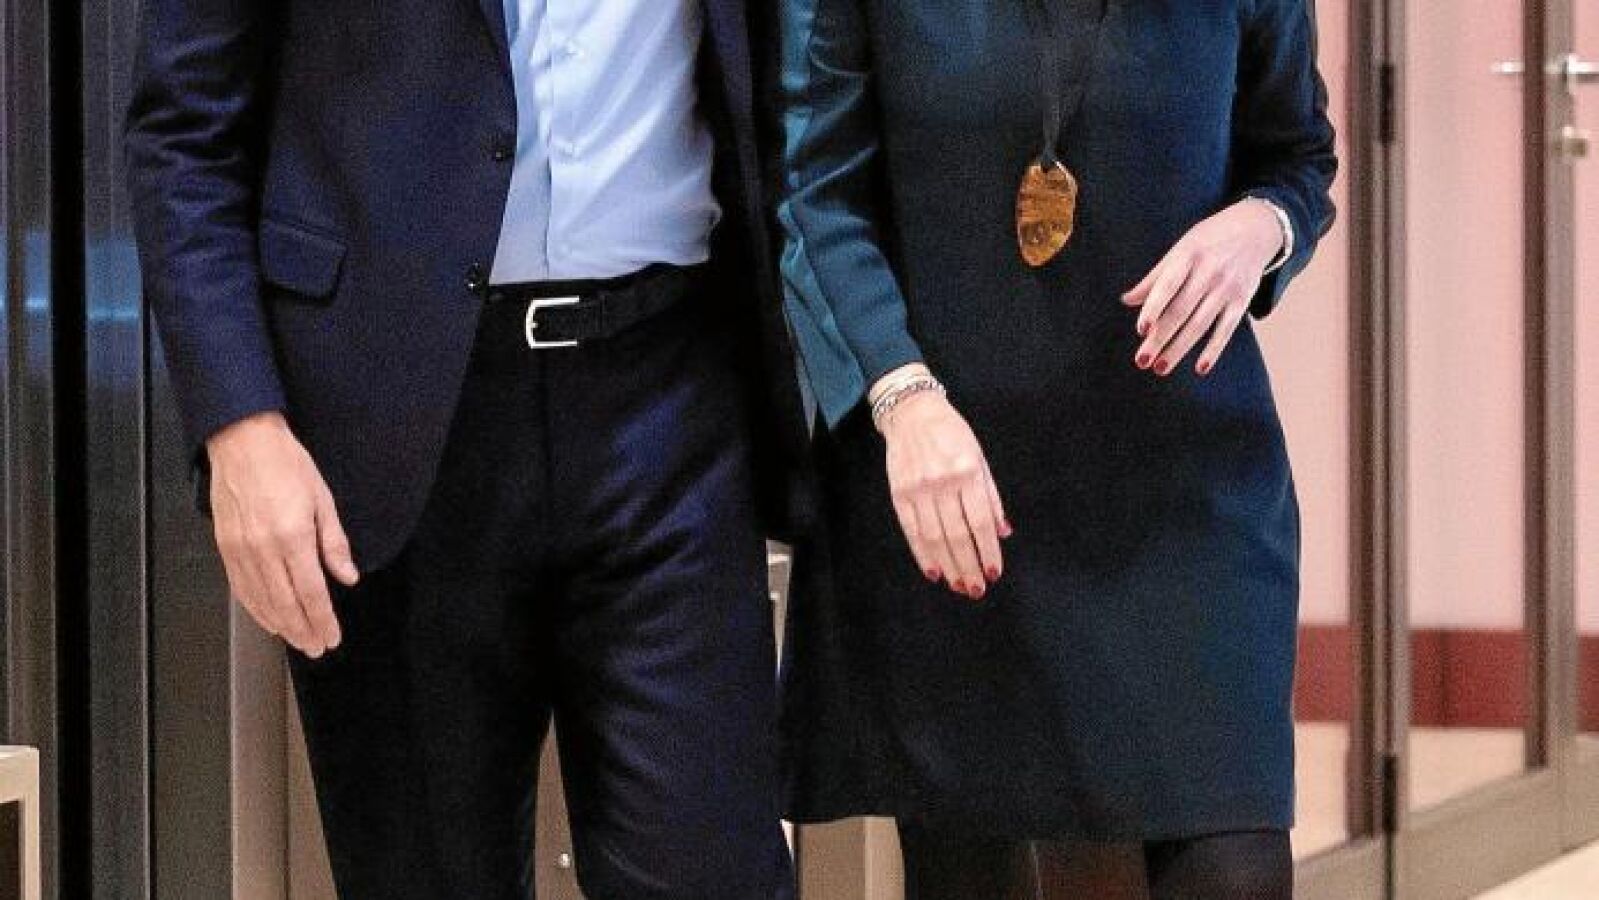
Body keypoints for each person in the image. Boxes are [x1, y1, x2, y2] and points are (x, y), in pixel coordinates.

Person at [124, 1, 808, 897]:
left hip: (666, 412)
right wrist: (239, 424)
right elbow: (183, 133)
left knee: (714, 874)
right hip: (393, 421)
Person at [776, 0, 1337, 897]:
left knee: (1234, 872)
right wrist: (902, 399)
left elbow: (1297, 156)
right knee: (968, 875)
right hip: (954, 486)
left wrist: (1262, 228)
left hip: (1184, 486)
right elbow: (814, 195)